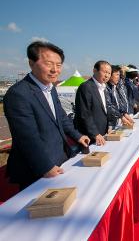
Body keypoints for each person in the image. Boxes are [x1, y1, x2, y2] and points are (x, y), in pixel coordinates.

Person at [4, 41, 90, 189]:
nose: (54, 70)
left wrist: (78, 136)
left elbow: (62, 118)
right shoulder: (18, 94)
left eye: (58, 65)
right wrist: (45, 166)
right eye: (49, 64)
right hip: (36, 168)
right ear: (31, 63)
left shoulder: (51, 88)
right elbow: (27, 137)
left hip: (59, 158)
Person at [74, 60, 111, 146]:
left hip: (102, 133)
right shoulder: (86, 87)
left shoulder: (104, 88)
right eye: (105, 72)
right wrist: (95, 133)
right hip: (90, 136)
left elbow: (104, 109)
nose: (107, 75)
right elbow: (84, 113)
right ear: (95, 71)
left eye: (109, 73)